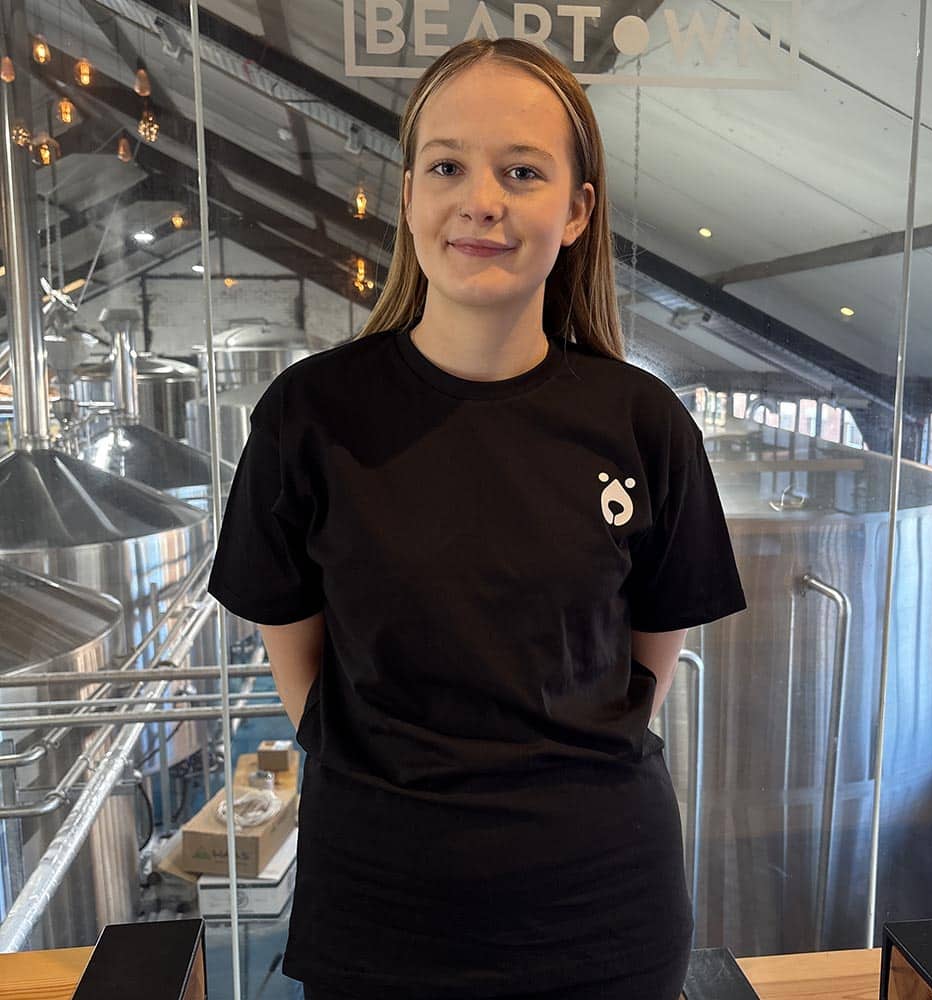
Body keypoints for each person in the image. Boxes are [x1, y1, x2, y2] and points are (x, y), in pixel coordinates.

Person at [208, 36, 746, 1000]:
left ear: (577, 210)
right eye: (448, 166)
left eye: (523, 172)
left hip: (603, 915)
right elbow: (293, 650)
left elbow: (649, 657)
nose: (481, 200)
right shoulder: (310, 416)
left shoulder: (643, 422)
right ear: (409, 195)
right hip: (381, 911)